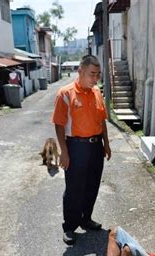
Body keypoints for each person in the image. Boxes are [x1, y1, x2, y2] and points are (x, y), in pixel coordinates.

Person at [52, 55, 111, 245]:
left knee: (92, 185)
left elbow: (101, 119)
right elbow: (59, 124)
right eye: (92, 74)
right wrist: (64, 152)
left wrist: (106, 143)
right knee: (74, 189)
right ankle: (69, 226)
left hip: (95, 147)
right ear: (80, 71)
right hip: (75, 147)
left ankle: (86, 218)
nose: (95, 79)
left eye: (98, 75)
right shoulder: (65, 93)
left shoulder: (97, 93)